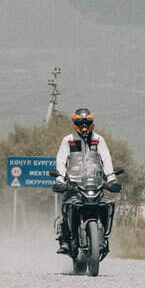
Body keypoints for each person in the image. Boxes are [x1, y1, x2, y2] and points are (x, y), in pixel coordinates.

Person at [55, 108, 119, 252]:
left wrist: (111, 179)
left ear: (91, 123)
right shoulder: (68, 140)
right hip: (74, 184)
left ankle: (103, 235)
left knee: (106, 204)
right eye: (80, 123)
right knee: (67, 206)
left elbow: (106, 159)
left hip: (95, 183)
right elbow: (61, 160)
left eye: (87, 122)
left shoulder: (98, 140)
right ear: (75, 123)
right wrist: (60, 179)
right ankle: (65, 240)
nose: (84, 126)